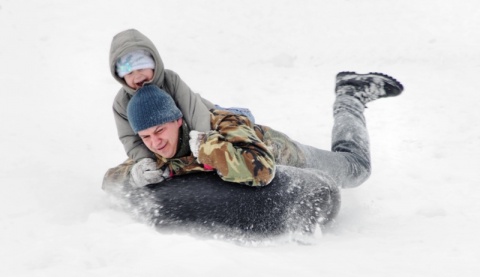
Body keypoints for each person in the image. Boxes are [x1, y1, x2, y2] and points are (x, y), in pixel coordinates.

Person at [102, 71, 403, 192]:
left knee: (356, 169)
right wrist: (132, 175)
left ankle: (350, 93)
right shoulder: (154, 150)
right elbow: (109, 181)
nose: (155, 142)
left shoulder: (220, 123)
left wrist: (207, 149)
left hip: (285, 156)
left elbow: (260, 170)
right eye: (145, 137)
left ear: (178, 120)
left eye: (160, 131)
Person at [109, 28, 255, 188]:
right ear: (120, 77)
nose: (137, 77)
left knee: (227, 120)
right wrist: (145, 161)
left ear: (154, 65)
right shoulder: (122, 102)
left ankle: (240, 115)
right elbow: (130, 138)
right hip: (169, 139)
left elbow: (194, 110)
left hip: (201, 115)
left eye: (141, 68)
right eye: (129, 73)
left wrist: (204, 142)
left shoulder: (170, 80)